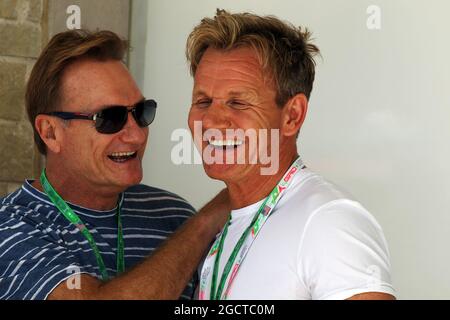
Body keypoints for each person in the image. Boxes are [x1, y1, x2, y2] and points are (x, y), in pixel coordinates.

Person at [0, 30, 230, 300]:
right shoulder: (11, 225)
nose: (136, 135)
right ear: (50, 132)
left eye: (142, 112)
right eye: (110, 118)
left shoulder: (174, 214)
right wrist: (211, 216)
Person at [186, 9, 396, 300]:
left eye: (237, 102)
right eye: (203, 100)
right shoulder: (233, 225)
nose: (211, 121)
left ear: (292, 116)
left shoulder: (329, 220)